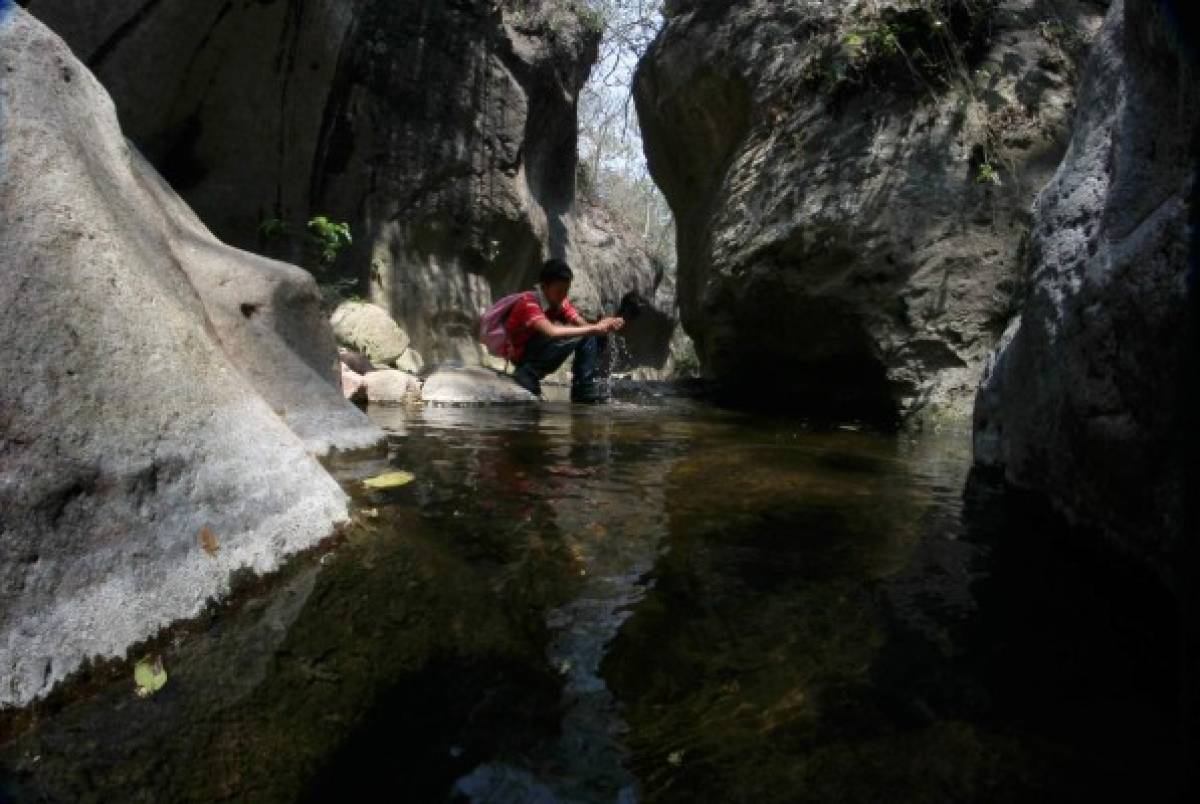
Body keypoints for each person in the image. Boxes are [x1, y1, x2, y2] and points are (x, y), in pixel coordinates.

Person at [505, 259, 625, 403]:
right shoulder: (529, 302)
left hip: (537, 348)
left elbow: (583, 325)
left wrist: (603, 326)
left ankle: (583, 388)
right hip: (522, 356)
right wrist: (593, 328)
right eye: (559, 291)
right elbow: (552, 332)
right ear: (544, 287)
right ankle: (528, 373)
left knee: (587, 335)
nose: (563, 295)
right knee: (581, 333)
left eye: (566, 291)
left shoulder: (560, 301)